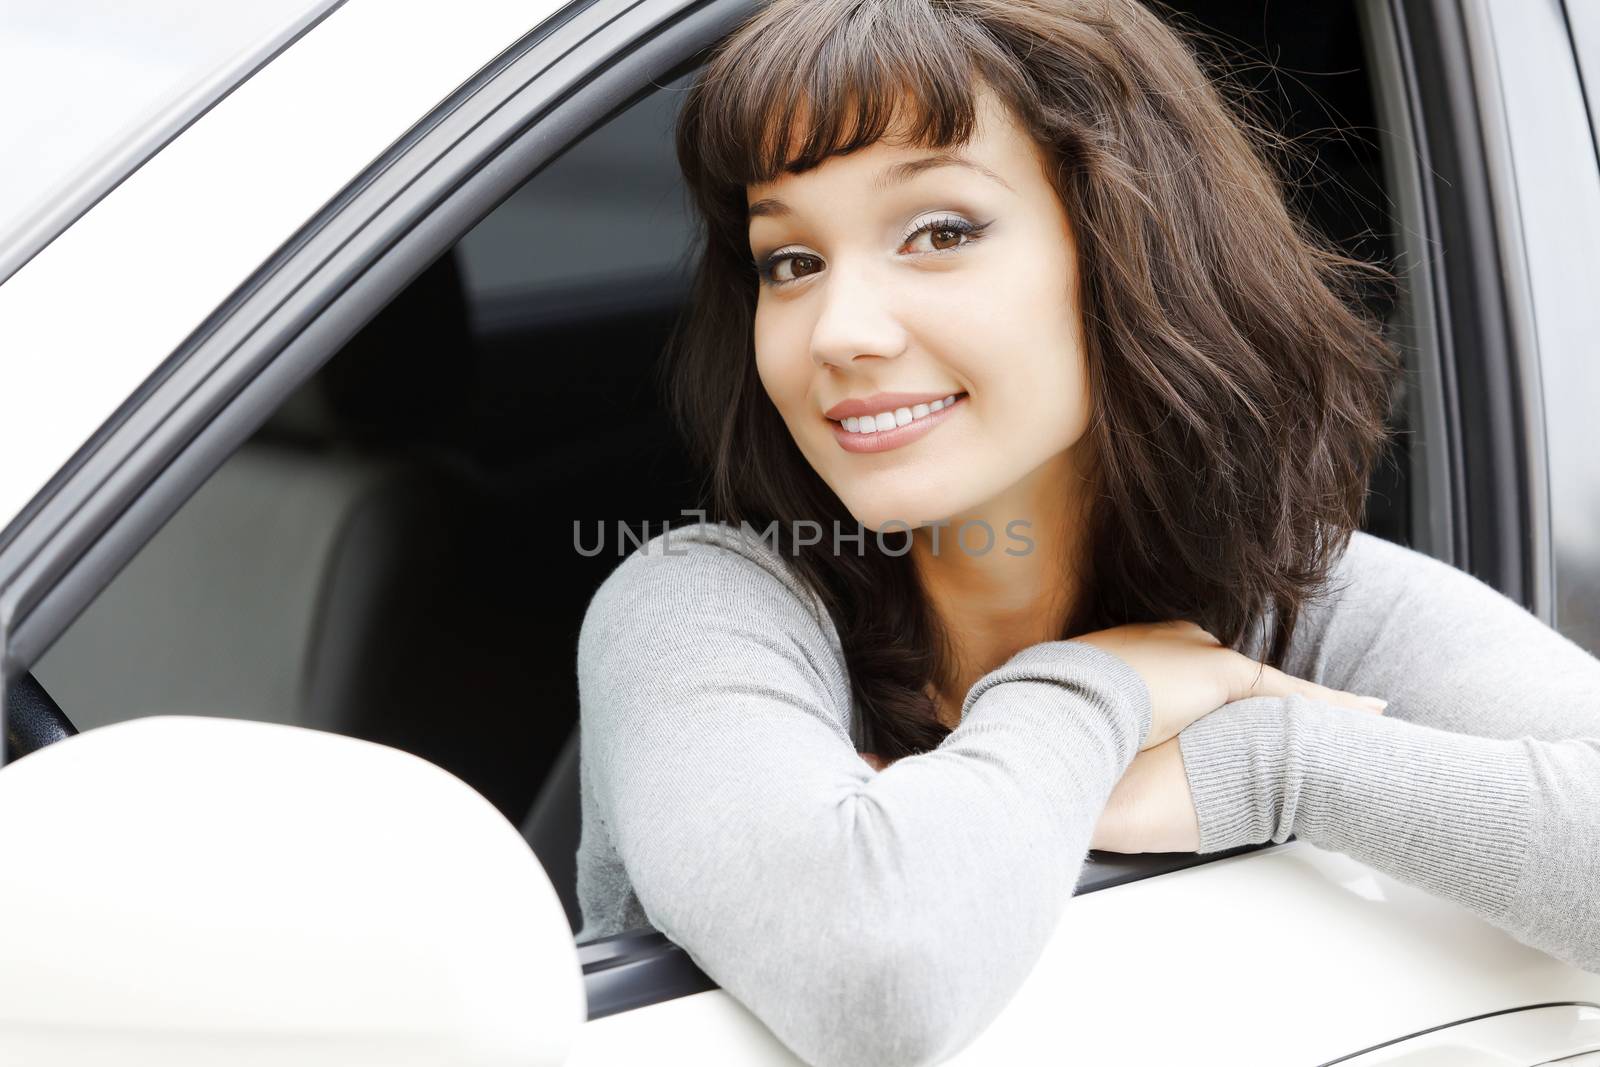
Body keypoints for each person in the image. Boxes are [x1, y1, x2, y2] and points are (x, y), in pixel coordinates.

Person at [572, 1, 1600, 1064]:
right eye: (789, 260)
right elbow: (875, 970)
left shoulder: (1294, 606)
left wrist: (1270, 763)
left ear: (1127, 243)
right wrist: (1098, 690)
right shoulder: (697, 605)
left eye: (938, 232)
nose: (838, 331)